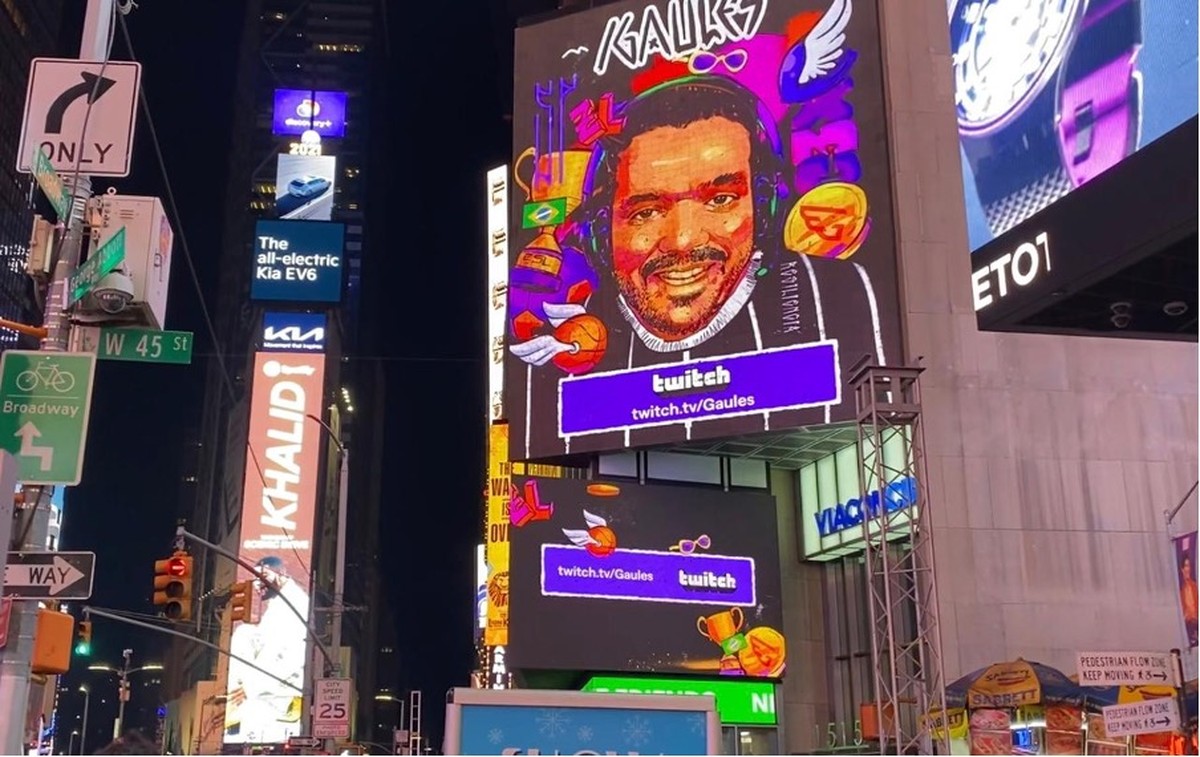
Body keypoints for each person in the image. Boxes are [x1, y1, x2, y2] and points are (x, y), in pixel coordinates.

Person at [511, 75, 886, 453]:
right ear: (600, 232)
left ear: (764, 207)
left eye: (720, 199)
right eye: (647, 211)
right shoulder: (554, 343)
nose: (683, 239)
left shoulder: (839, 291)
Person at [224, 556, 310, 745]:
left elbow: (290, 657)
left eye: (262, 576)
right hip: (264, 695)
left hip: (278, 700)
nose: (257, 584)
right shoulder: (279, 603)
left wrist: (250, 687)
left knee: (242, 634)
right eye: (254, 579)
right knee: (243, 633)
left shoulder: (294, 604)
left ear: (281, 574)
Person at [1179, 549, 1198, 646]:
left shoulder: (1194, 586)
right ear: (1182, 569)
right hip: (1186, 625)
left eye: (1189, 566)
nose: (1188, 569)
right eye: (1186, 566)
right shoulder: (1180, 589)